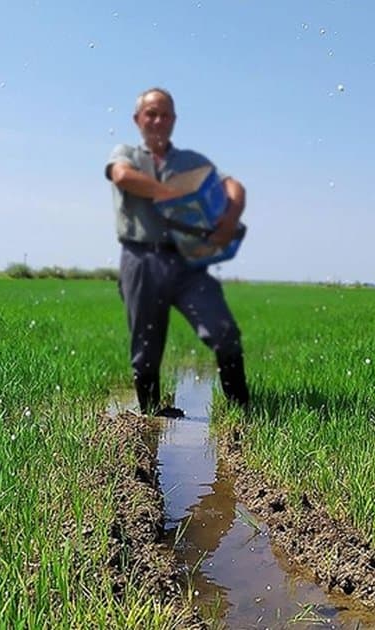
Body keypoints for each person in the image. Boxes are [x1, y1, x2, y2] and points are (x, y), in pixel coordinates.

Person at [104, 87, 250, 417]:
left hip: (189, 264)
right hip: (141, 260)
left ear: (174, 119)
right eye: (150, 113)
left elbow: (232, 185)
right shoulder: (126, 153)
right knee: (146, 346)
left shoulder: (191, 162)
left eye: (165, 113)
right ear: (137, 119)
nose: (158, 120)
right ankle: (153, 414)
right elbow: (122, 176)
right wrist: (172, 194)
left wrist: (230, 217)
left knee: (224, 331)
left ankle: (241, 411)